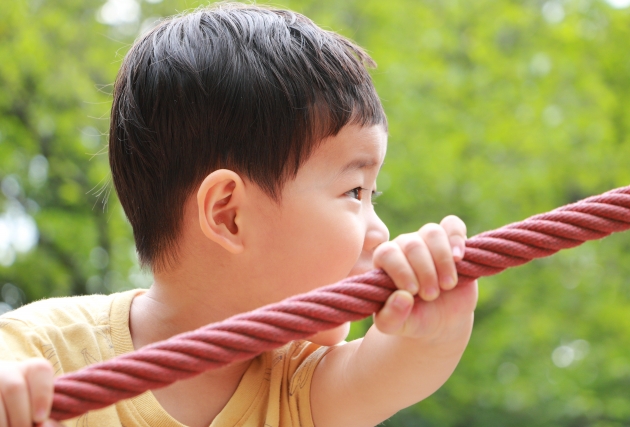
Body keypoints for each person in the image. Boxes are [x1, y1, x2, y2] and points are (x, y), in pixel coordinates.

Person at [0, 3, 478, 427]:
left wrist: (436, 328)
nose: (381, 233)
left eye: (372, 193)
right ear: (229, 215)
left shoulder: (300, 383)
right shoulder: (46, 351)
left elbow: (391, 370)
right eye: (354, 191)